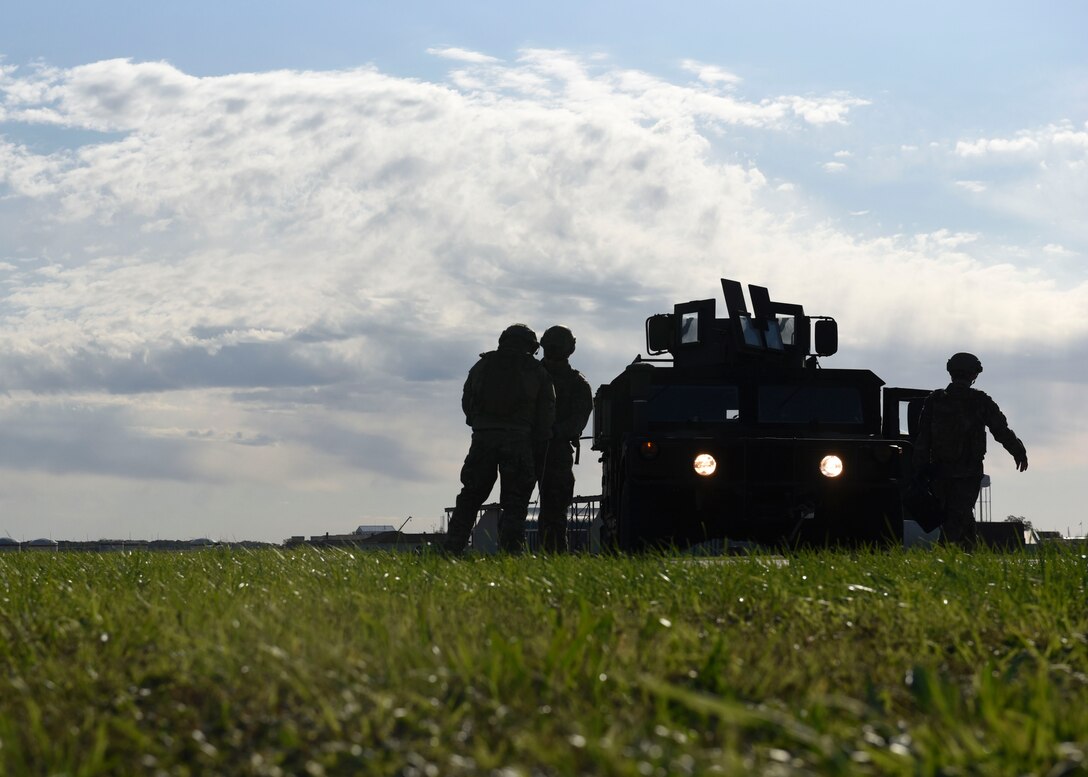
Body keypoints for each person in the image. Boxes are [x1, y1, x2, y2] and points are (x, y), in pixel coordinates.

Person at [444, 324, 556, 554]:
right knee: (515, 502)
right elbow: (546, 414)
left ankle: (452, 549)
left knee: (470, 496)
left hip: (483, 439)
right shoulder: (536, 371)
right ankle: (511, 553)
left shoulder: (482, 366)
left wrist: (481, 425)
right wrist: (538, 441)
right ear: (530, 346)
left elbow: (468, 402)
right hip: (518, 440)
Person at [913, 352, 1028, 549]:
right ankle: (947, 558)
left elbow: (922, 440)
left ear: (951, 372)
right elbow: (1001, 430)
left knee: (957, 516)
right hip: (967, 473)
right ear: (973, 374)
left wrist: (919, 471)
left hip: (940, 472)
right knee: (958, 517)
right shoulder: (980, 401)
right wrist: (1018, 451)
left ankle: (965, 559)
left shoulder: (935, 400)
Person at [535, 325, 594, 552]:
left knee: (550, 511)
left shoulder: (531, 376)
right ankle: (551, 556)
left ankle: (548, 557)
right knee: (551, 512)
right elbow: (578, 421)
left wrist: (553, 432)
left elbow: (577, 421)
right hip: (543, 448)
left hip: (551, 449)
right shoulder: (577, 383)